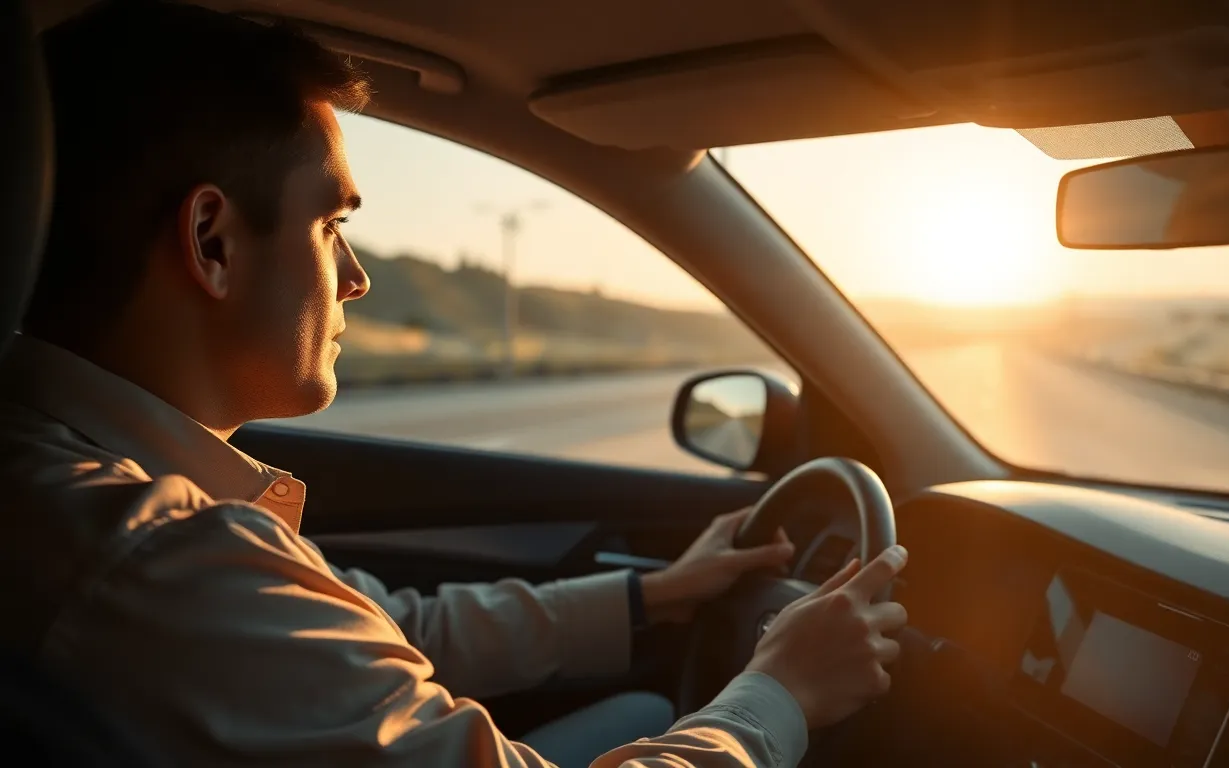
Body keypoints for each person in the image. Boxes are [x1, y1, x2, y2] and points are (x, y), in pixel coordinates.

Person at [0, 2, 911, 766]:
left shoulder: (74, 494)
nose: (355, 276)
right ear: (213, 243)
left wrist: (656, 595)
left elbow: (384, 626)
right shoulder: (161, 564)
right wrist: (777, 696)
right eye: (331, 225)